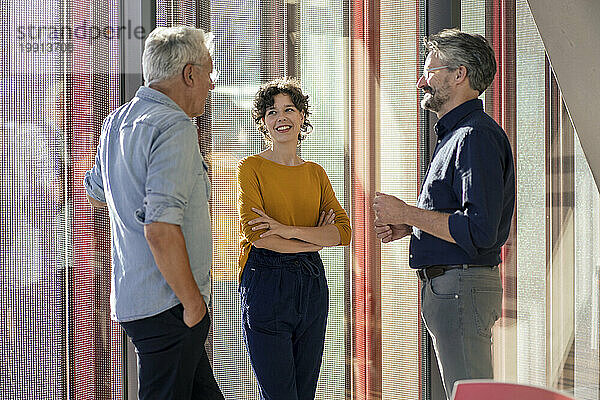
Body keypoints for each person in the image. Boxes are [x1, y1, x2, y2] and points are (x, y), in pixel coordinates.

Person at [373, 29, 515, 399]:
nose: (422, 80)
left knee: (472, 395)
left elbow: (480, 230)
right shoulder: (458, 136)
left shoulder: (473, 137)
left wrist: (408, 211)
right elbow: (460, 217)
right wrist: (412, 224)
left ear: (459, 74)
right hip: (453, 288)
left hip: (460, 288)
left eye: (430, 70)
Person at [83, 26, 223, 400]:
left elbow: (97, 193)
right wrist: (194, 306)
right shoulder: (175, 126)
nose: (212, 85)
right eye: (209, 74)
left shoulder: (117, 121)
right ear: (189, 74)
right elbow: (160, 229)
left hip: (139, 301)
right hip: (171, 307)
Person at [237, 77, 352, 400]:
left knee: (304, 394)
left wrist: (288, 230)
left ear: (302, 116)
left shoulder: (315, 173)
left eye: (289, 109)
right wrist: (316, 238)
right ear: (262, 122)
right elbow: (259, 237)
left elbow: (343, 232)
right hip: (266, 282)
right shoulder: (251, 167)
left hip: (311, 284)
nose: (281, 118)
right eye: (272, 112)